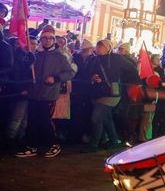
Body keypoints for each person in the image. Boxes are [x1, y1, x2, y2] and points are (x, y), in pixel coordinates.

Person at [15, 25, 75, 158]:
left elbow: (71, 72)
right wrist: (28, 64)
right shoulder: (36, 54)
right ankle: (32, 146)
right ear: (41, 39)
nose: (47, 41)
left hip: (48, 93)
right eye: (44, 38)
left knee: (44, 121)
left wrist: (55, 78)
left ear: (53, 40)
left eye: (50, 38)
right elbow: (28, 71)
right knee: (32, 121)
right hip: (34, 93)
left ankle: (54, 144)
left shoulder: (60, 56)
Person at [83, 39, 140, 152]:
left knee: (96, 118)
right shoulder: (93, 59)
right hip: (96, 93)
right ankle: (114, 141)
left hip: (111, 93)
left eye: (102, 46)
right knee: (106, 119)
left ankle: (94, 144)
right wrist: (92, 77)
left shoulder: (116, 58)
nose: (98, 48)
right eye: (98, 46)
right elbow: (87, 73)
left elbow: (131, 69)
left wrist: (130, 83)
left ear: (108, 48)